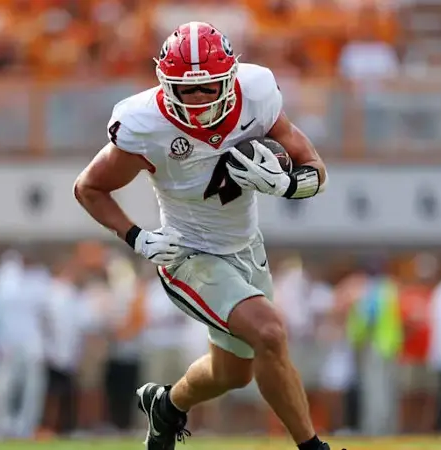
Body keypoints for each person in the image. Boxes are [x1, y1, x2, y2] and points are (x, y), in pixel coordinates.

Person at [74, 21, 332, 450]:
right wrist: (137, 237)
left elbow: (317, 172)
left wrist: (286, 185)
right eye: (185, 89)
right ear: (164, 84)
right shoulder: (144, 122)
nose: (195, 100)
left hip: (247, 248)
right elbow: (89, 187)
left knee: (234, 372)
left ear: (230, 78)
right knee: (269, 333)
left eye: (206, 88)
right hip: (188, 255)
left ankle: (167, 406)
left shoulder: (258, 94)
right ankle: (312, 447)